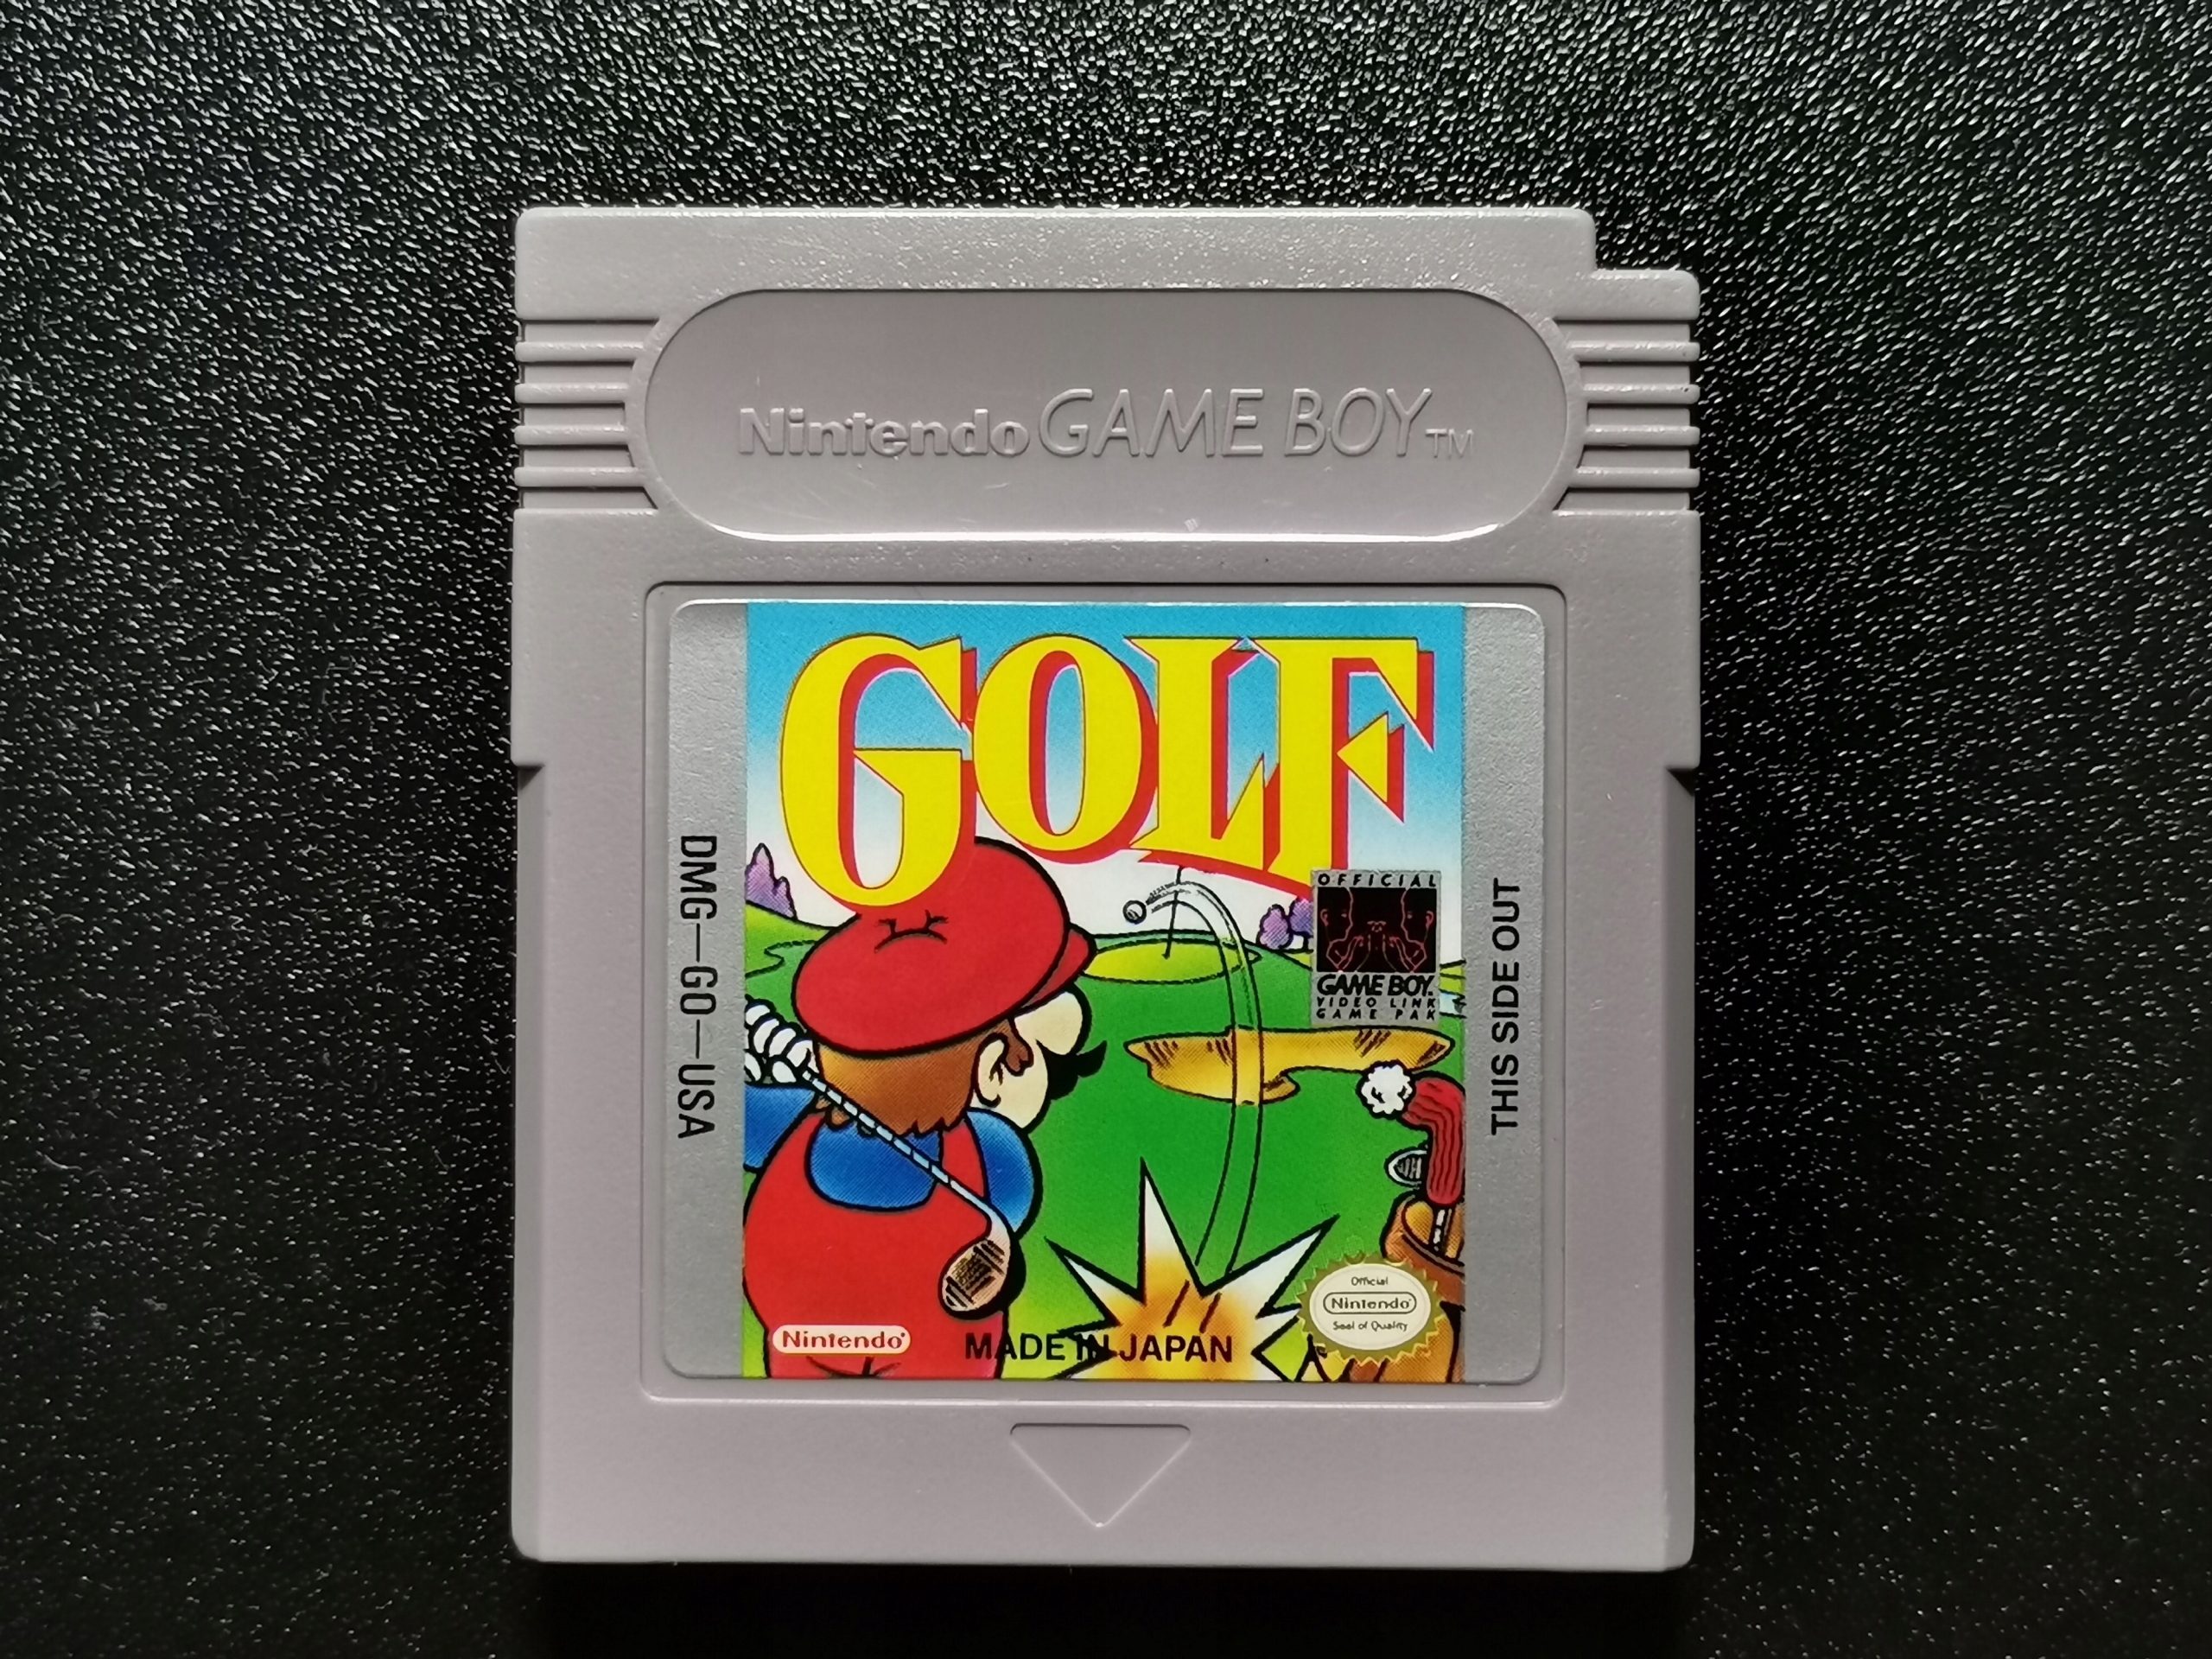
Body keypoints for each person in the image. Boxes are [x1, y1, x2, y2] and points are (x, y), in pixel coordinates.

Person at [742, 840, 1101, 1378]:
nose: (1025, 1060)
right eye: (1013, 1039)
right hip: (799, 1389)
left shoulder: (992, 1152)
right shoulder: (794, 1118)